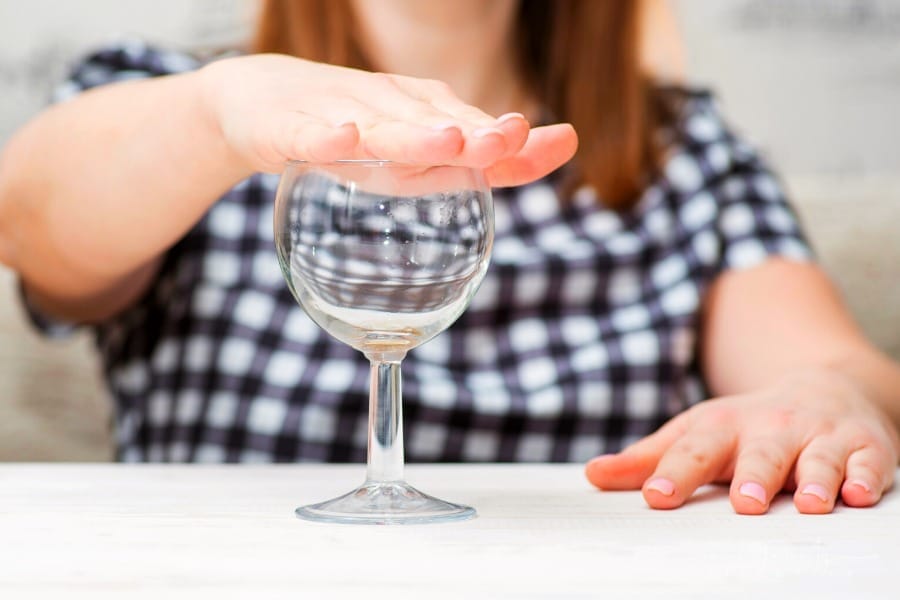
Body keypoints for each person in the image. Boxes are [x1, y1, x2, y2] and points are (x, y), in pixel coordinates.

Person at [0, 0, 897, 516]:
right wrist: (213, 117)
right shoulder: (174, 98)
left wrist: (830, 398)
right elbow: (31, 225)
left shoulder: (685, 152)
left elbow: (825, 363)